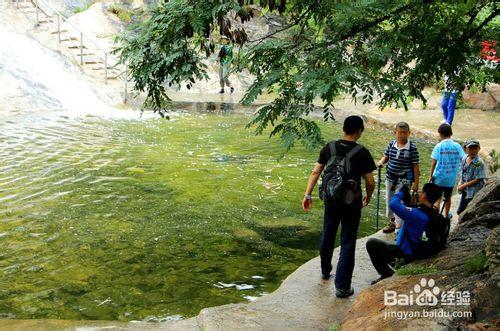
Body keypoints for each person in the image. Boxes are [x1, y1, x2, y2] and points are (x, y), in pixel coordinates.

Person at [302, 115, 376, 298]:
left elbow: (315, 171)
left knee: (328, 234)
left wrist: (307, 194)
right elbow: (370, 181)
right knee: (348, 240)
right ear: (358, 131)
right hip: (352, 202)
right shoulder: (362, 152)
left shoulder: (329, 147)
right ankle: (342, 287)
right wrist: (368, 196)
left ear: (344, 128)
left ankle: (326, 271)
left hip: (331, 199)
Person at [366, 183, 442, 284]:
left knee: (371, 244)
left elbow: (393, 204)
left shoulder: (417, 214)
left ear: (424, 196)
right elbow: (411, 212)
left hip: (405, 256)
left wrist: (400, 191)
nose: (419, 193)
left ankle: (386, 274)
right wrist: (408, 202)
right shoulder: (432, 212)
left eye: (421, 191)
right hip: (418, 252)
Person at [377, 122, 420, 234]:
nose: (402, 135)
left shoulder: (412, 148)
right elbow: (386, 156)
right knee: (389, 201)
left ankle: (399, 228)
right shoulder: (392, 144)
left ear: (409, 133)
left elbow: (416, 166)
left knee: (400, 203)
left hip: (404, 181)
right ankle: (391, 223)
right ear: (395, 133)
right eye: (399, 133)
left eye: (404, 133)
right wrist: (381, 162)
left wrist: (416, 184)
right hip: (390, 178)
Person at [429, 123, 465, 218]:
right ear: (451, 133)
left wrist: (430, 176)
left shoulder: (439, 146)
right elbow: (463, 159)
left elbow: (433, 162)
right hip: (451, 179)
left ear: (440, 134)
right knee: (448, 198)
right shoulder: (457, 146)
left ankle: (435, 215)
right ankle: (446, 215)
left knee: (437, 198)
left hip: (438, 178)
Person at [456, 139, 486, 214]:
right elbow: (463, 172)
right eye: (471, 148)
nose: (473, 151)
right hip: (465, 190)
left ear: (479, 149)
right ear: (465, 149)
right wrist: (460, 183)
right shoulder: (464, 158)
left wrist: (463, 186)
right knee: (460, 211)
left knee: (469, 211)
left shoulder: (479, 162)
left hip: (474, 191)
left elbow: (478, 179)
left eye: (475, 148)